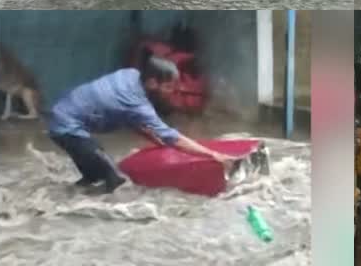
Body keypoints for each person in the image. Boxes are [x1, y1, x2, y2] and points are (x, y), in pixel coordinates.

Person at [48, 49, 235, 193]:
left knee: (93, 179)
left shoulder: (130, 75)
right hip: (69, 128)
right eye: (169, 87)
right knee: (119, 182)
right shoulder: (137, 103)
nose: (173, 92)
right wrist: (213, 155)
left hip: (62, 117)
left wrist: (154, 138)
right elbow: (171, 136)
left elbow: (129, 117)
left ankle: (65, 201)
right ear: (152, 83)